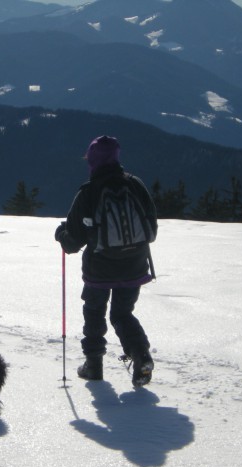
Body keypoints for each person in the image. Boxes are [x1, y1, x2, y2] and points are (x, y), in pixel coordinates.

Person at [54, 135, 158, 387]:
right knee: (122, 313)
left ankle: (93, 365)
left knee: (94, 312)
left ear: (92, 160)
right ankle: (141, 354)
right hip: (134, 266)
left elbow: (73, 243)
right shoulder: (136, 185)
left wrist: (61, 234)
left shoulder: (88, 192)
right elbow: (151, 231)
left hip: (99, 269)